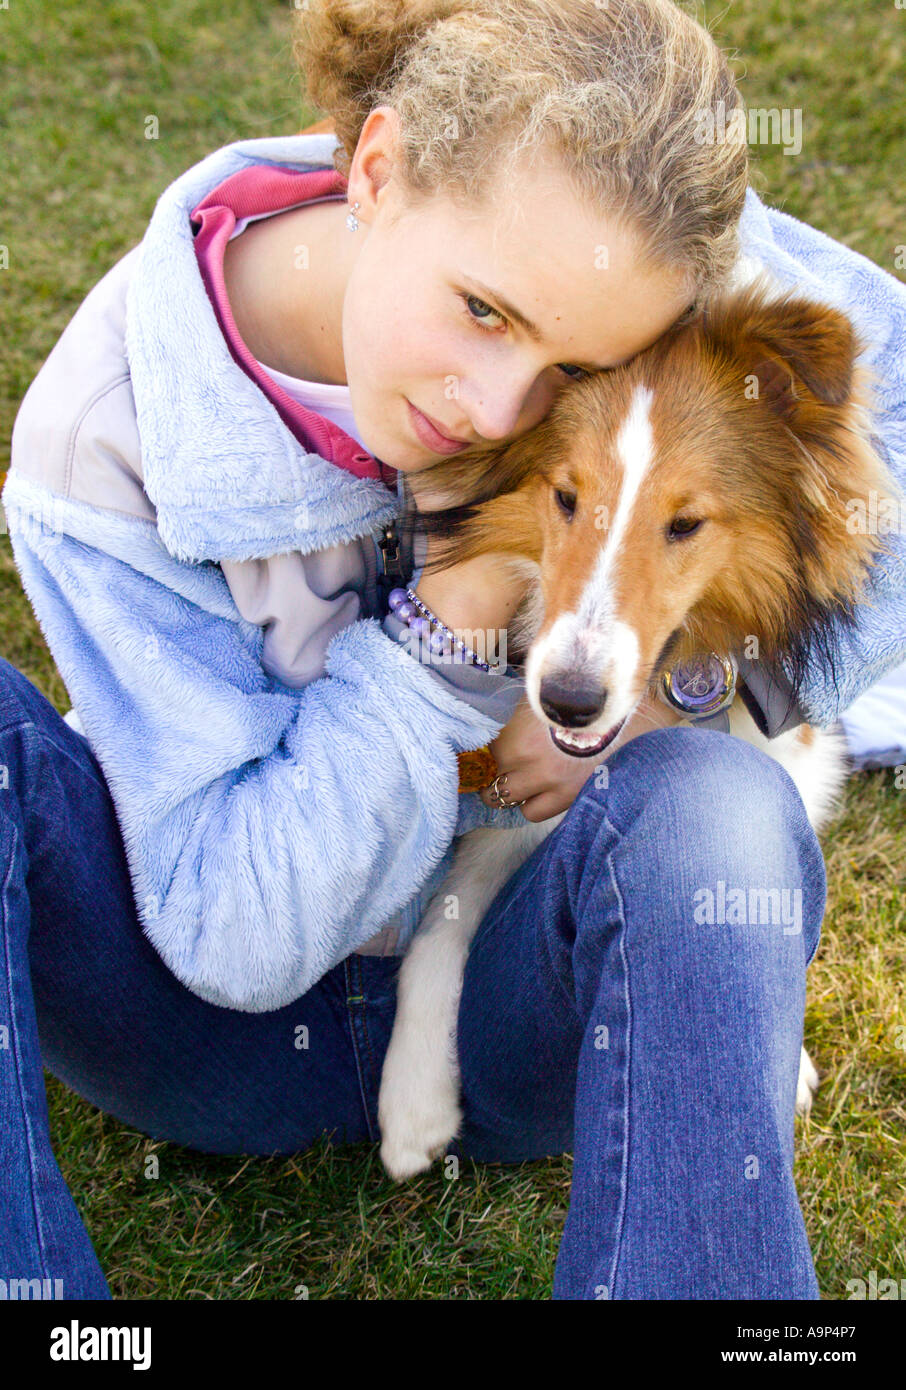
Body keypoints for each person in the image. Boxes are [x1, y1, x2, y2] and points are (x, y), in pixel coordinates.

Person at [1, 0, 903, 1301]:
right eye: (480, 310)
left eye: (576, 360)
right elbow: (232, 938)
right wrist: (448, 625)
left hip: (519, 1013)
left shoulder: (640, 243)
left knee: (720, 801)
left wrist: (691, 689)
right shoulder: (105, 427)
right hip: (202, 1026)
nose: (491, 412)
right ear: (374, 170)